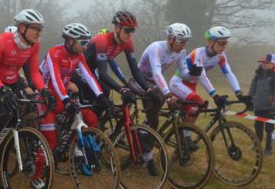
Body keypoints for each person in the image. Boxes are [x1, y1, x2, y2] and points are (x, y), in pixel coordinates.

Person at [0, 8, 53, 189]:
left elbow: (35, 72)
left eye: (41, 29)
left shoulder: (34, 45)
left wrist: (43, 89)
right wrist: (2, 89)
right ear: (22, 27)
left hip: (14, 82)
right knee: (4, 115)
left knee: (12, 125)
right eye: (35, 28)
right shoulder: (3, 41)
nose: (39, 33)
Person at [84, 11, 159, 174]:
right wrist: (122, 89)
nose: (130, 34)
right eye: (127, 30)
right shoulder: (103, 40)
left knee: (106, 100)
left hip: (94, 73)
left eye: (133, 31)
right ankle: (83, 142)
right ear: (117, 28)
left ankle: (97, 134)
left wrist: (148, 89)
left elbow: (135, 70)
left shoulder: (127, 42)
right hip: (81, 73)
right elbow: (103, 73)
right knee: (102, 93)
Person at [39, 23, 106, 176]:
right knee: (50, 140)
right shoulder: (54, 52)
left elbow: (89, 76)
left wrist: (100, 95)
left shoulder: (78, 56)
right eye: (83, 42)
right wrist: (66, 100)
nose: (86, 46)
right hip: (45, 96)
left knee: (91, 117)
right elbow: (55, 79)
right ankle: (37, 176)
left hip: (61, 93)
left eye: (87, 42)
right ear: (70, 40)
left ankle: (73, 148)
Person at [169, 26, 249, 125]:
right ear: (211, 42)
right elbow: (202, 75)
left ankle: (184, 136)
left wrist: (239, 93)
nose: (224, 47)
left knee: (195, 109)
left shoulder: (221, 56)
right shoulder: (198, 53)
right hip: (178, 83)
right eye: (221, 43)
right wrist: (215, 96)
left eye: (226, 43)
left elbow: (228, 73)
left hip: (191, 85)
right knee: (199, 102)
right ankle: (186, 137)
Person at [137, 23, 192, 130]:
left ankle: (147, 127)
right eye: (181, 41)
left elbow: (184, 73)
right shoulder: (156, 47)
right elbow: (156, 72)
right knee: (158, 102)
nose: (184, 45)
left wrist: (194, 72)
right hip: (139, 79)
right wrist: (168, 93)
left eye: (186, 42)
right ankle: (145, 128)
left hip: (153, 82)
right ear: (171, 39)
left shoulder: (181, 52)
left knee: (164, 103)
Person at [249, 53, 275, 156]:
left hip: (270, 108)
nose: (263, 64)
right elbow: (252, 87)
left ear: (273, 63)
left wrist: (273, 107)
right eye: (262, 62)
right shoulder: (258, 73)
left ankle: (268, 149)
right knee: (257, 127)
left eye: (266, 63)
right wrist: (250, 99)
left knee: (269, 130)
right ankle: (257, 144)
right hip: (258, 106)